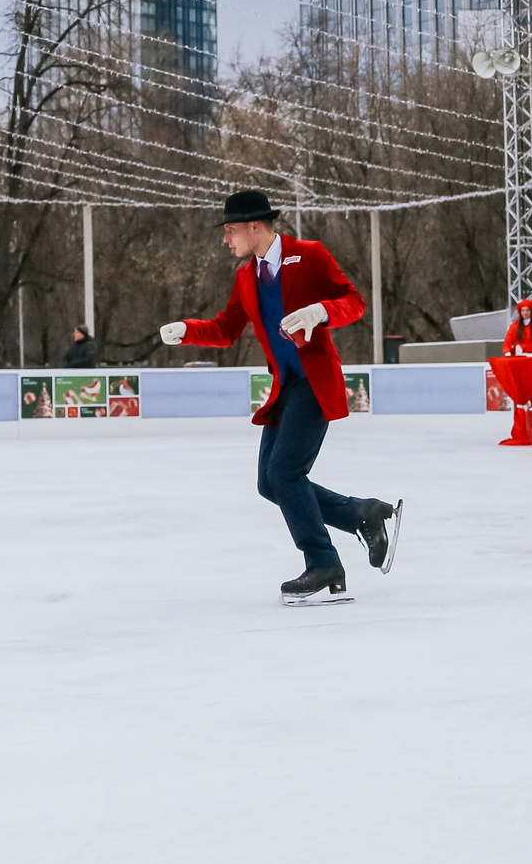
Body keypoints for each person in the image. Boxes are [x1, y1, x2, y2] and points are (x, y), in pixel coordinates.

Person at [160, 189, 401, 605]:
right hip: (285, 385)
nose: (225, 238)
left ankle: (324, 562)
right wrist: (188, 329)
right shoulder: (245, 278)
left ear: (256, 225)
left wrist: (320, 312)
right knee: (269, 483)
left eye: (230, 229)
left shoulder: (308, 255)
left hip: (314, 381)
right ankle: (361, 513)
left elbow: (355, 302)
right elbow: (225, 328)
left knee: (286, 473)